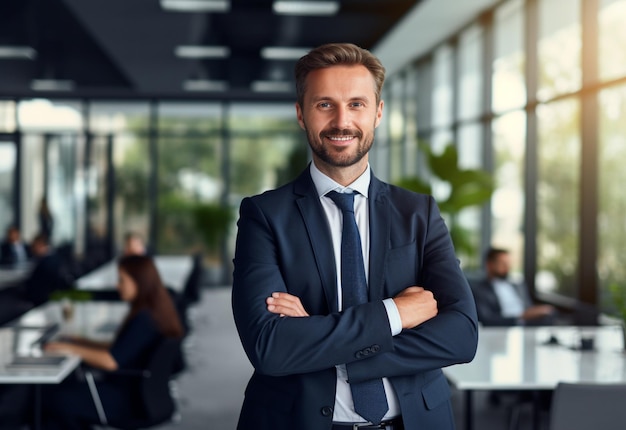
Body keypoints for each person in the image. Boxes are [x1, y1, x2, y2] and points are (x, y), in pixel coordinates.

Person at [231, 43, 478, 430]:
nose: (341, 121)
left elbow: (462, 336)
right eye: (324, 104)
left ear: (378, 112)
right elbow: (271, 348)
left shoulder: (419, 212)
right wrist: (395, 313)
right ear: (301, 114)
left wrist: (317, 334)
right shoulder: (264, 216)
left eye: (357, 104)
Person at [40, 255, 184, 430]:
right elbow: (122, 348)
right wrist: (82, 342)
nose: (118, 285)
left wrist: (70, 348)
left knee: (52, 398)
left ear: (139, 281)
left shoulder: (144, 319)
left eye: (122, 280)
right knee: (62, 392)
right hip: (139, 395)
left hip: (127, 402)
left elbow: (111, 361)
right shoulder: (155, 311)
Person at [469, 247, 556, 326]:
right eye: (502, 263)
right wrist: (520, 317)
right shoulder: (479, 290)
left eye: (508, 263)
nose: (507, 267)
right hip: (504, 327)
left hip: (528, 325)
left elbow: (528, 308)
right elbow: (486, 319)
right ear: (490, 265)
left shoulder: (518, 285)